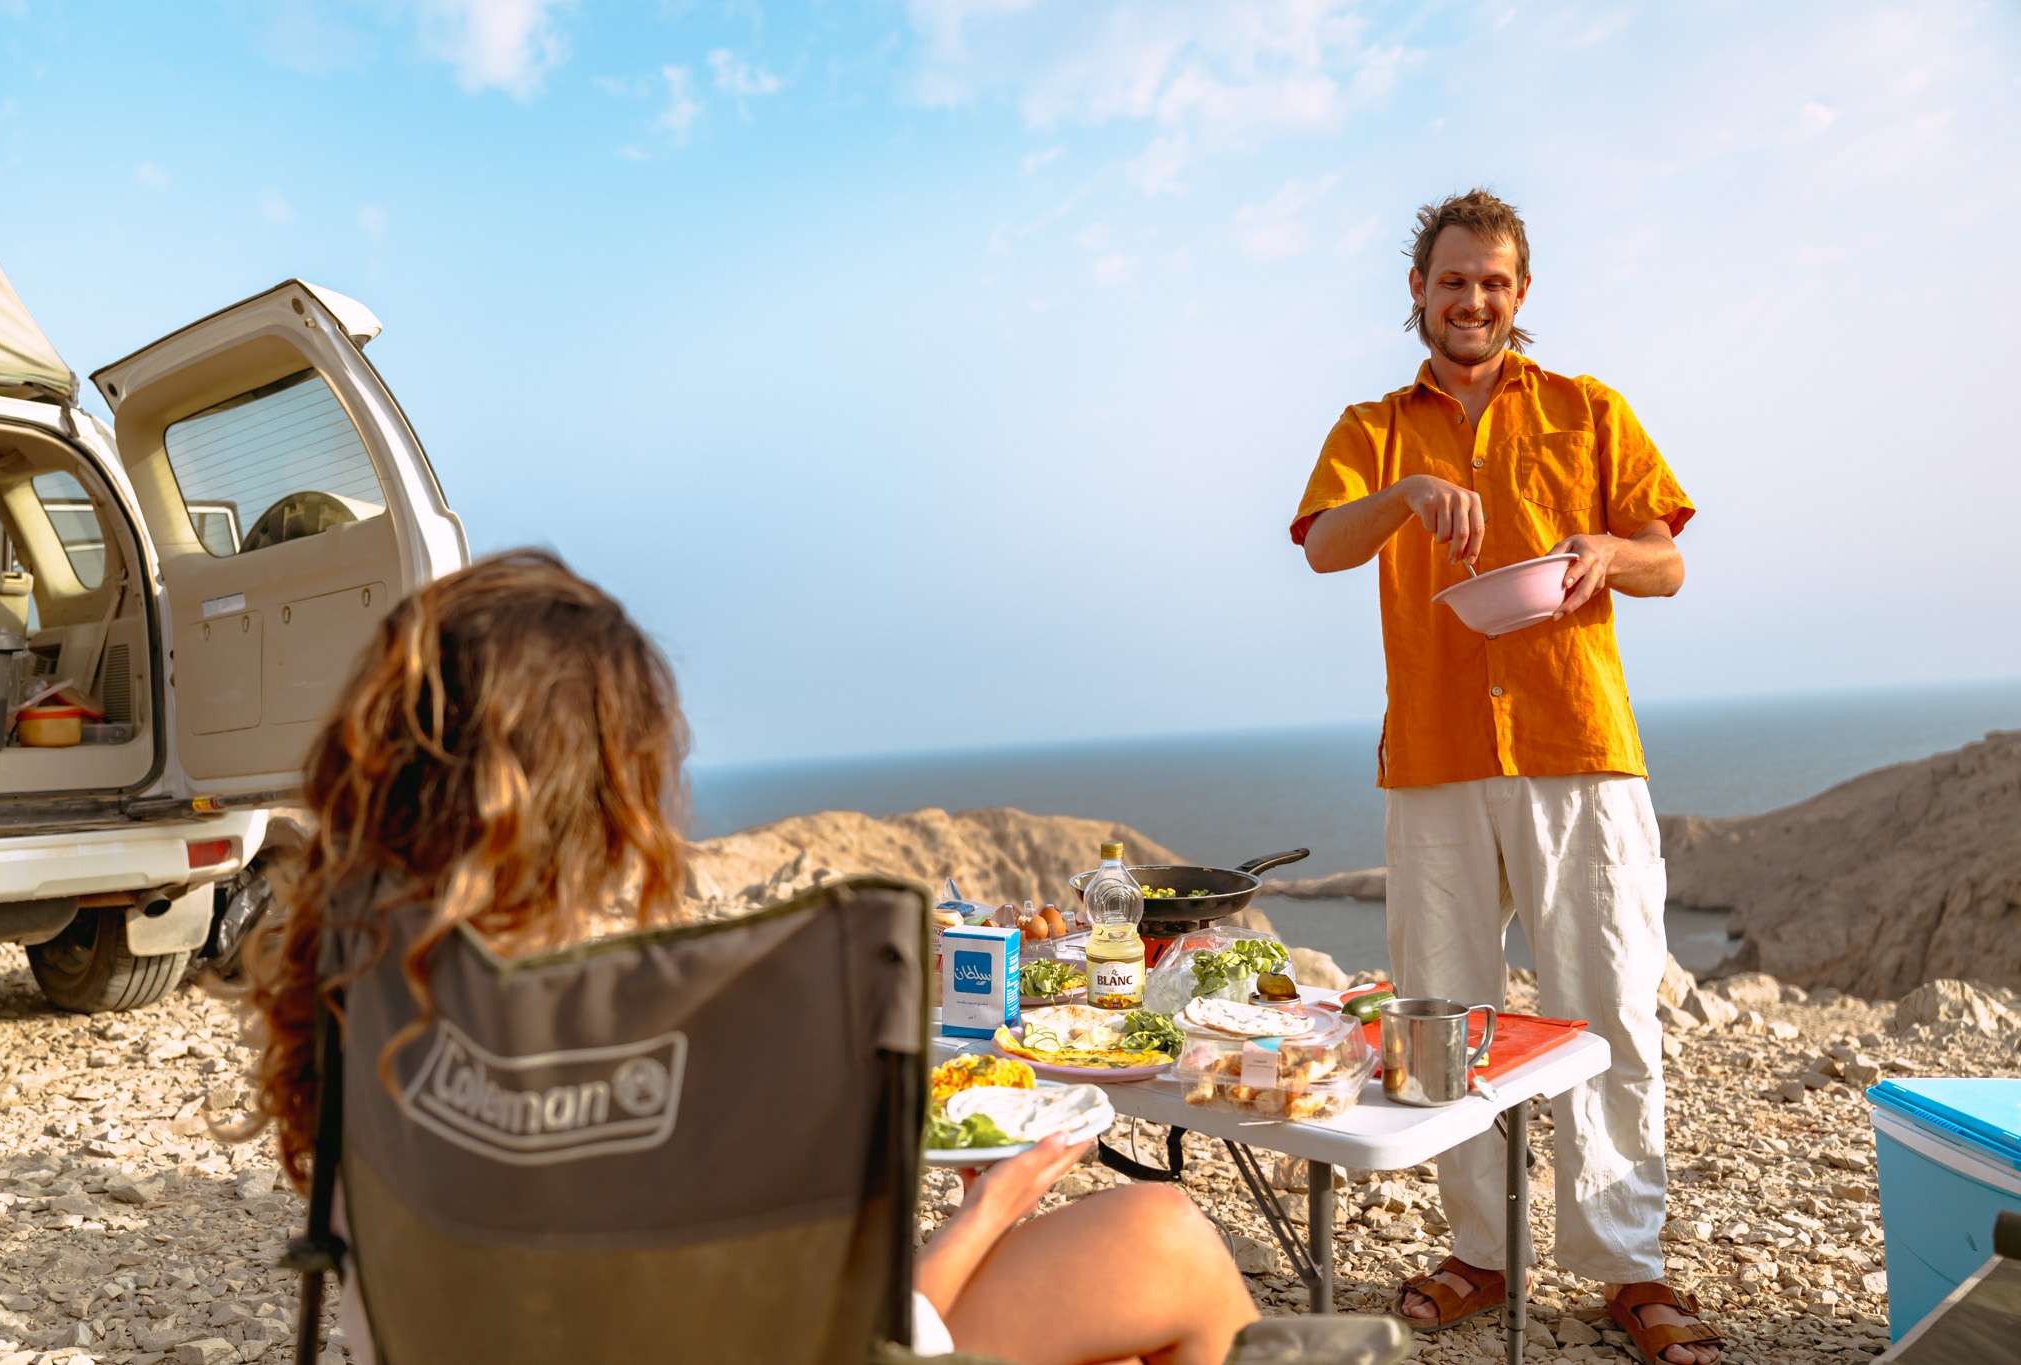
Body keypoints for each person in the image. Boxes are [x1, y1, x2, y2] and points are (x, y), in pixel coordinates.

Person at [236, 549, 1258, 1365]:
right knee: (1161, 1236)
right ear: (606, 799)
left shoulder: (365, 996)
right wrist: (990, 1208)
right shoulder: (634, 1055)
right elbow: (854, 1341)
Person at [1290, 190, 1721, 1365]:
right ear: (1416, 297)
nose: (1469, 299)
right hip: (1432, 755)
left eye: (1490, 281)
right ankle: (1480, 1248)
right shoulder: (1372, 425)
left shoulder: (1590, 410)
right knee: (1442, 1013)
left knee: (1608, 1001)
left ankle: (1627, 1265)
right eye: (1448, 281)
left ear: (1518, 295)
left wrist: (1606, 552)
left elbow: (1667, 563)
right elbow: (1326, 542)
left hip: (1575, 744)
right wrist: (1406, 495)